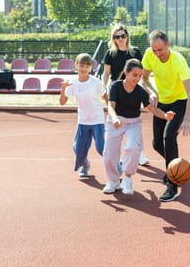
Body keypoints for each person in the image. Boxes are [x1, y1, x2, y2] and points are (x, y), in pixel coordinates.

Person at [102, 59, 175, 195]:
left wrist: (165, 116)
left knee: (133, 147)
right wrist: (115, 118)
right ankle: (113, 181)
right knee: (109, 154)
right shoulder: (115, 86)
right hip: (115, 121)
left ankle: (128, 178)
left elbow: (152, 109)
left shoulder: (140, 91)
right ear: (126, 73)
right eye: (135, 75)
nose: (138, 78)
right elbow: (111, 107)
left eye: (140, 75)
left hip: (133, 123)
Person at [140, 30, 190, 202]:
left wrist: (187, 118)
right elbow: (144, 79)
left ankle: (172, 185)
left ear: (168, 44)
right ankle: (178, 167)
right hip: (162, 102)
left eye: (160, 50)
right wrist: (152, 92)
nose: (157, 54)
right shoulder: (149, 55)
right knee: (157, 144)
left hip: (179, 101)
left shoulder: (178, 61)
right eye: (154, 50)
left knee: (169, 137)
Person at [101, 25, 150, 166]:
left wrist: (146, 89)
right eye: (117, 37)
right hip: (117, 91)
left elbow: (141, 73)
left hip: (133, 90)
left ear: (127, 36)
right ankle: (119, 155)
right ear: (114, 39)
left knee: (134, 120)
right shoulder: (111, 54)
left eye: (123, 36)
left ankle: (139, 152)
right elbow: (106, 73)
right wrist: (103, 86)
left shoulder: (135, 52)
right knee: (116, 122)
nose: (120, 39)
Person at [60, 53, 107, 177]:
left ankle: (116, 166)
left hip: (97, 119)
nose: (84, 68)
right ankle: (85, 164)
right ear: (76, 66)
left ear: (91, 68)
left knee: (101, 148)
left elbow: (106, 96)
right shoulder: (72, 83)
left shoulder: (96, 82)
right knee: (77, 149)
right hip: (83, 121)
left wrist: (113, 112)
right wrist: (63, 89)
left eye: (87, 66)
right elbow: (62, 102)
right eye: (81, 65)